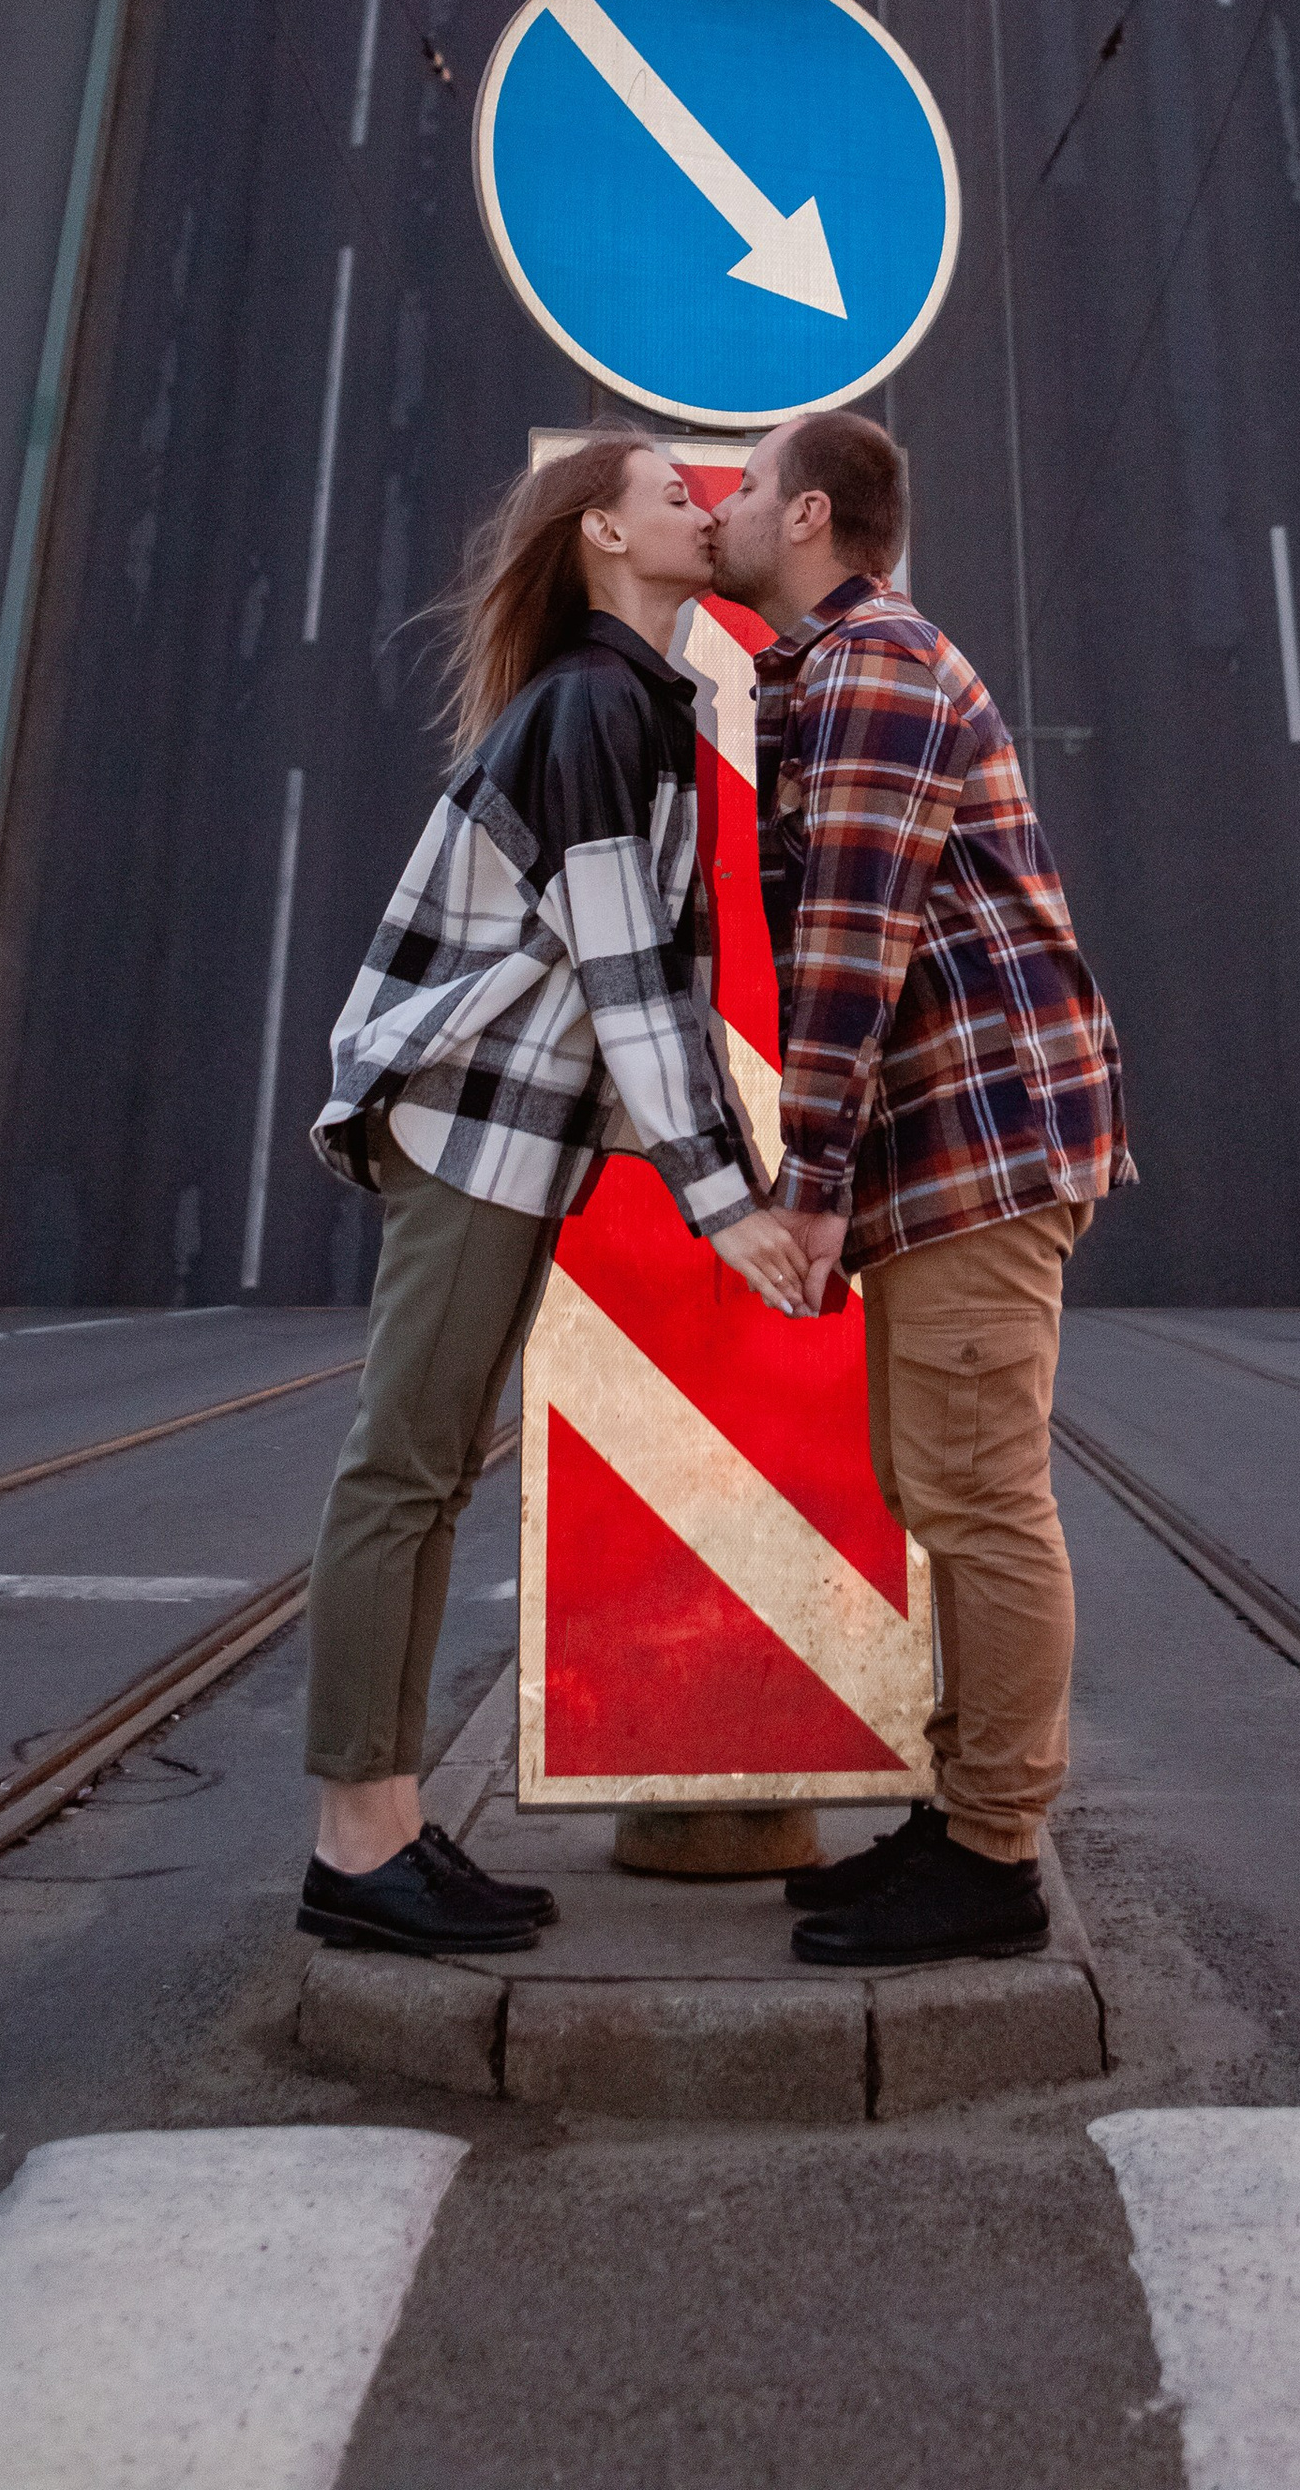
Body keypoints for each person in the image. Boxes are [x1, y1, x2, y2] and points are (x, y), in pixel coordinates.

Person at [299, 433, 813, 1959]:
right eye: (674, 492)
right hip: (469, 1127)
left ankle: (385, 1824)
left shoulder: (639, 703)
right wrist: (735, 1201)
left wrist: (720, 1178)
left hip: (514, 1133)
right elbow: (630, 976)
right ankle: (355, 1840)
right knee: (402, 1469)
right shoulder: (595, 707)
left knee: (433, 1472)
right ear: (599, 533)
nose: (704, 506)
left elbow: (644, 984)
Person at [708, 409, 1131, 1966]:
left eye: (746, 485)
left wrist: (807, 1181)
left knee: (979, 1494)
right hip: (952, 1137)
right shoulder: (830, 672)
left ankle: (998, 1853)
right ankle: (962, 1822)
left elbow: (849, 937)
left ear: (809, 515)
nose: (725, 504)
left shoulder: (874, 667)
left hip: (980, 1134)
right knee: (934, 1481)